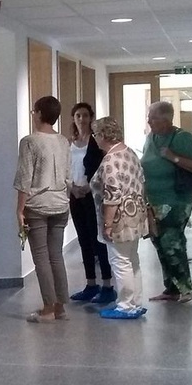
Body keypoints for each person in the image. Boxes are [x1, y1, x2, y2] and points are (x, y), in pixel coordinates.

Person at [140, 99, 192, 303]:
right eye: (149, 117)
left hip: (176, 200)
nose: (149, 121)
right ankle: (171, 289)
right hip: (154, 200)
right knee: (159, 243)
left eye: (153, 118)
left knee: (172, 242)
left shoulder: (182, 138)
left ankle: (186, 288)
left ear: (167, 120)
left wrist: (172, 157)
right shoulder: (151, 138)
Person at [15, 95, 71, 323]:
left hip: (37, 205)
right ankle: (60, 307)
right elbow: (68, 175)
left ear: (39, 113)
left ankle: (48, 308)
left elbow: (24, 178)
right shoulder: (63, 141)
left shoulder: (30, 141)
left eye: (34, 111)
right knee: (56, 255)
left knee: (41, 257)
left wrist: (19, 210)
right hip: (60, 203)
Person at [89, 116, 148, 320]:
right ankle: (135, 302)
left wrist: (107, 224)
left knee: (120, 261)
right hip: (135, 215)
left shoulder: (111, 160)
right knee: (132, 260)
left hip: (120, 219)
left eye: (95, 134)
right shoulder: (129, 153)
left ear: (103, 135)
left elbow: (112, 195)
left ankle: (125, 305)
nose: (95, 139)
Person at [65, 102, 115, 306]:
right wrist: (72, 187)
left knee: (97, 239)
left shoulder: (96, 142)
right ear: (73, 118)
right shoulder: (70, 143)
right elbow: (66, 169)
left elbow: (102, 168)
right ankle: (90, 284)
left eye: (85, 115)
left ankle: (107, 285)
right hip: (75, 195)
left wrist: (88, 187)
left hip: (93, 195)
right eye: (78, 115)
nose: (81, 119)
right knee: (83, 239)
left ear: (91, 118)